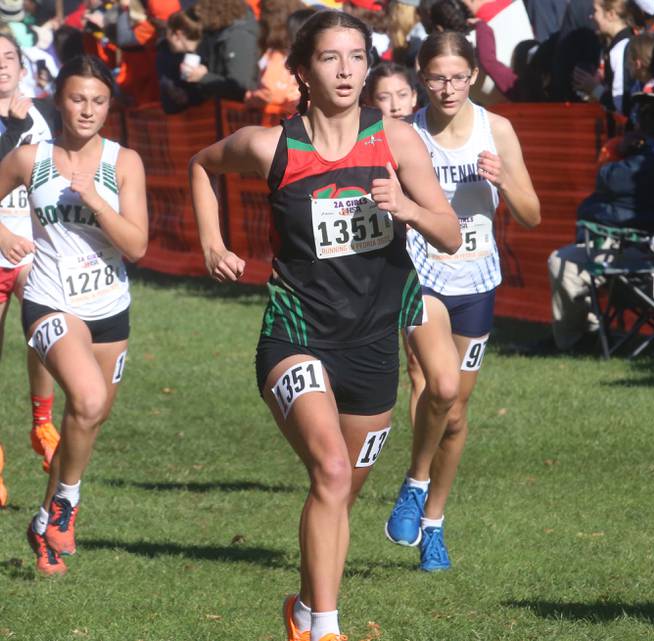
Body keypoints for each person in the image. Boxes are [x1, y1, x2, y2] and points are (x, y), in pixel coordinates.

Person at [188, 11, 460, 641]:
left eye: (358, 57)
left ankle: (306, 613)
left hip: (371, 345)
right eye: (331, 58)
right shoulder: (270, 145)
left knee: (338, 494)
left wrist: (409, 208)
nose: (347, 70)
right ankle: (327, 631)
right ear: (303, 70)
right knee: (333, 474)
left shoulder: (397, 141)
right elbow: (203, 166)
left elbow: (448, 235)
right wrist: (210, 241)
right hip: (297, 334)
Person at [384, 31, 540, 571]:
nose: (447, 88)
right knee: (439, 386)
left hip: (478, 280)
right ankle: (414, 483)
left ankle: (433, 524)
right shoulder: (404, 134)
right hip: (424, 276)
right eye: (435, 78)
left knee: (454, 412)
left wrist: (505, 182)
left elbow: (532, 213)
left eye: (457, 77)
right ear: (419, 78)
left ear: (473, 75)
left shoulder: (496, 130)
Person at [0, 54, 148, 574]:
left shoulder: (123, 162)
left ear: (109, 106)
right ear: (58, 100)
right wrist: (4, 235)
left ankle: (43, 520)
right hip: (49, 299)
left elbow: (137, 247)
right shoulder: (28, 157)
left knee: (88, 418)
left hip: (109, 306)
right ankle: (67, 502)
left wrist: (98, 203)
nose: (87, 110)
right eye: (77, 98)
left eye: (98, 101)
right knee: (86, 398)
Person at [546, 76, 654, 351]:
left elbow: (615, 180)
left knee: (564, 262)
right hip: (631, 245)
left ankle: (579, 341)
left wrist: (617, 152)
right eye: (641, 112)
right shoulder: (652, 147)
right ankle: (588, 336)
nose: (645, 119)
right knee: (563, 260)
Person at [0, 33, 62, 509]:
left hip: (33, 249)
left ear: (24, 65)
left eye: (8, 57)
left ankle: (42, 423)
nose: (2, 65)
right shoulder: (18, 121)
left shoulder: (47, 114)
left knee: (45, 326)